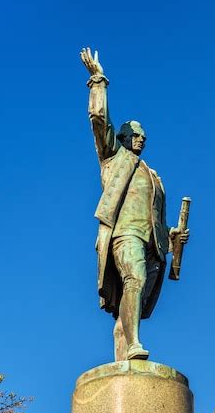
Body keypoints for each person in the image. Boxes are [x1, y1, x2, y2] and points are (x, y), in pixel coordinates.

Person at [80, 47, 189, 361]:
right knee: (134, 279)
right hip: (125, 234)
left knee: (137, 302)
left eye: (144, 135)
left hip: (153, 243)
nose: (141, 138)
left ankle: (124, 347)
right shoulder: (114, 159)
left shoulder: (154, 176)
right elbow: (100, 120)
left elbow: (155, 217)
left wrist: (172, 237)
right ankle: (134, 346)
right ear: (123, 137)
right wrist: (98, 81)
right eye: (135, 133)